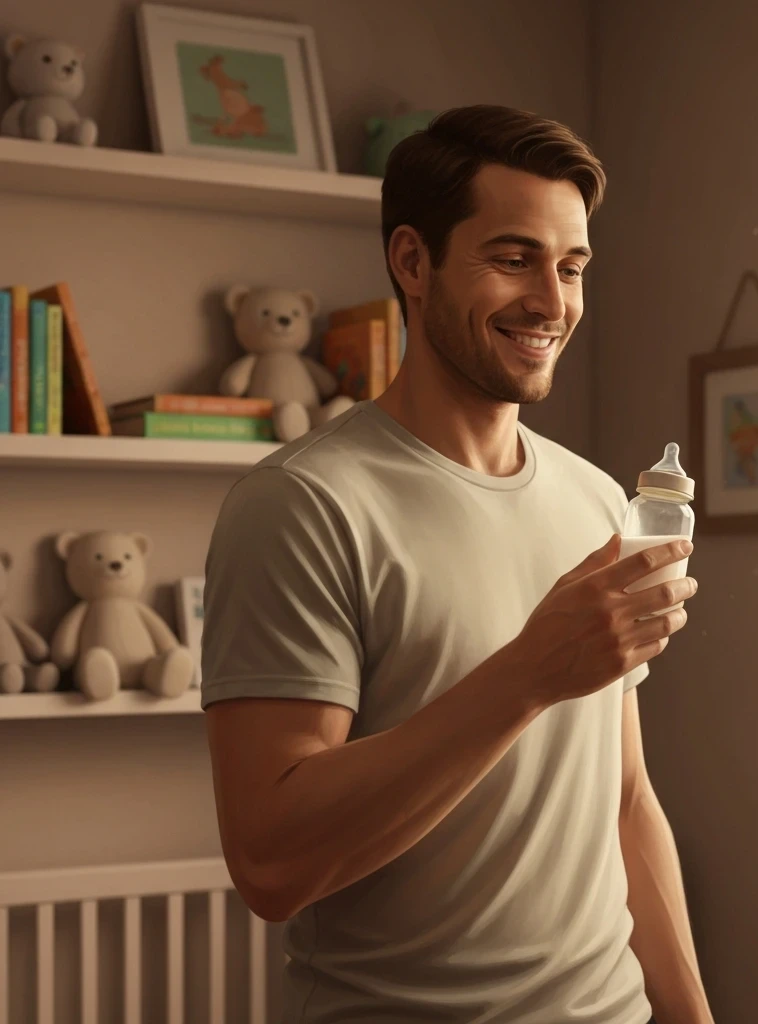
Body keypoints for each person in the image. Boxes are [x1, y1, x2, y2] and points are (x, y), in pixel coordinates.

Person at [201, 104, 715, 1024]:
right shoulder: (303, 506)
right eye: (513, 258)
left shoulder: (602, 502)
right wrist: (528, 674)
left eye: (572, 266)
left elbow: (626, 799)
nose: (553, 303)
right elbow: (271, 863)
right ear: (412, 261)